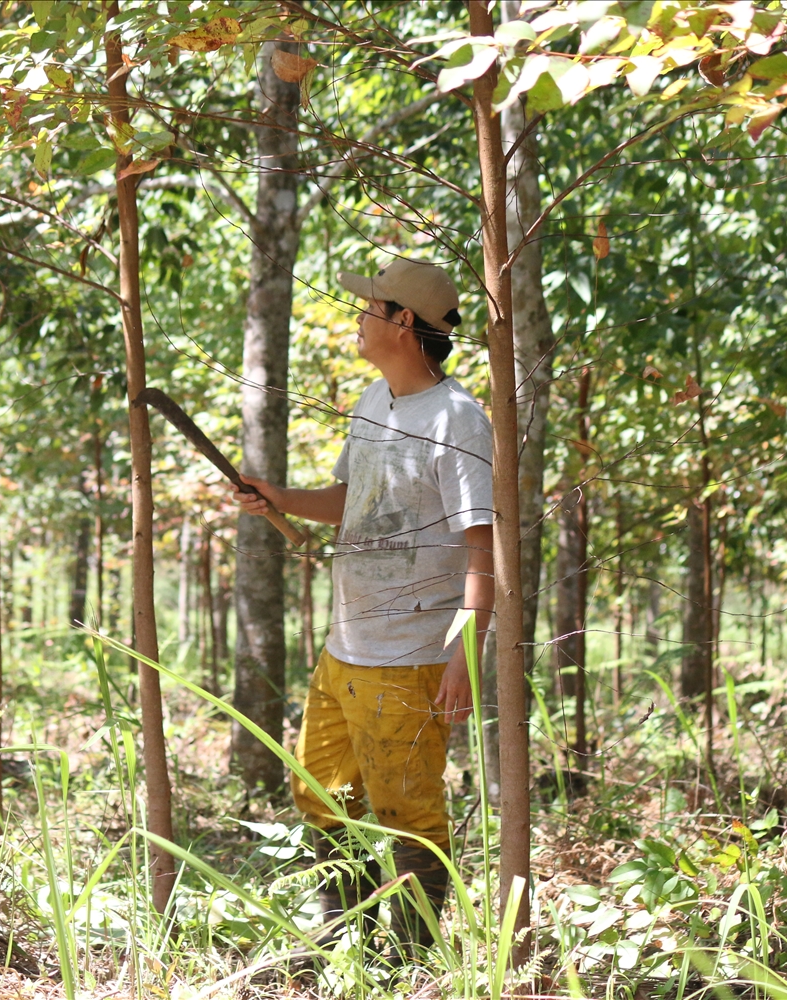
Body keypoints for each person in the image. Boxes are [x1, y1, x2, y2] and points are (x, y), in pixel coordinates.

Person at [232, 257, 494, 965]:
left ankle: (408, 962)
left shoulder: (459, 421)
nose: (358, 318)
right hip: (346, 644)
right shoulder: (372, 403)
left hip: (410, 656)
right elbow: (351, 502)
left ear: (403, 322)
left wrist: (463, 657)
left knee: (408, 815)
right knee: (319, 791)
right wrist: (279, 497)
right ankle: (349, 941)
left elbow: (481, 549)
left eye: (369, 307)